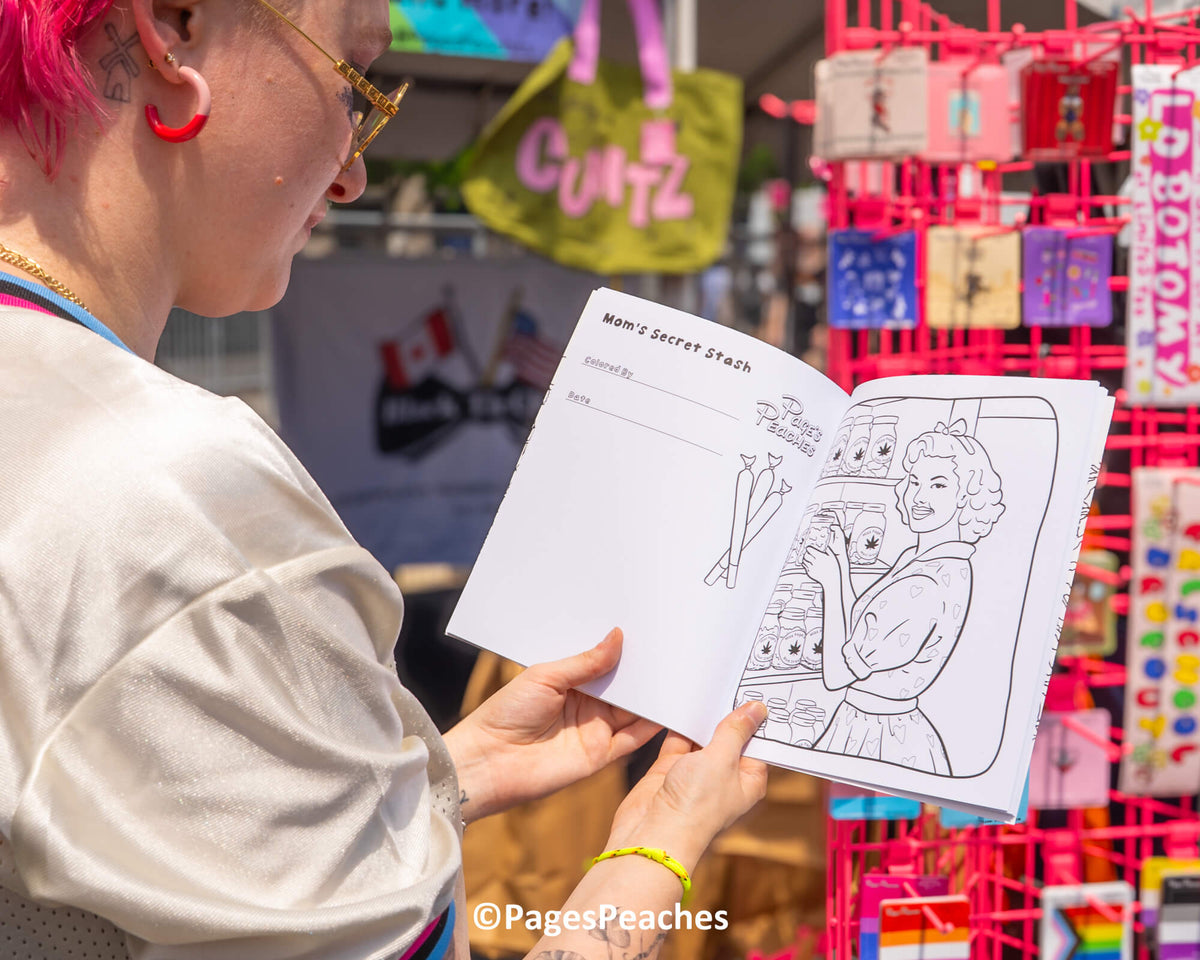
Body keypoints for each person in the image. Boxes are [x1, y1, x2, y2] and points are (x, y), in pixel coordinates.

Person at [0, 2, 769, 958]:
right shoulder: (169, 489)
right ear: (175, 31)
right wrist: (658, 853)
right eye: (356, 87)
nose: (356, 169)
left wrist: (441, 779)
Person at [801, 420, 1004, 774]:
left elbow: (836, 675)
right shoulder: (922, 557)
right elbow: (860, 634)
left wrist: (832, 582)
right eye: (914, 482)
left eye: (938, 485)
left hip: (878, 733)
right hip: (872, 723)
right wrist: (841, 566)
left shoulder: (926, 584)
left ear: (965, 498)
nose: (919, 496)